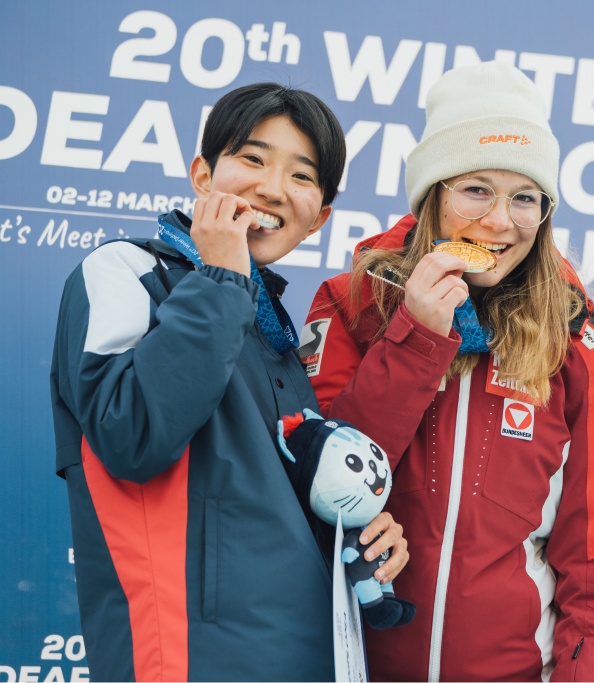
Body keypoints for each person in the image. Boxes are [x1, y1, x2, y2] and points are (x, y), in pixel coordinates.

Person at [50, 82, 408, 682]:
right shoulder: (124, 271)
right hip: (188, 660)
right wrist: (219, 275)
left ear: (319, 218)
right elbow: (131, 436)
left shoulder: (270, 325)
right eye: (252, 159)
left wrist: (359, 529)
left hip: (306, 656)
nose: (271, 188)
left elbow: (273, 498)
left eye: (301, 175)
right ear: (201, 174)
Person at [301, 61, 594, 681]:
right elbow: (320, 483)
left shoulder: (577, 344)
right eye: (476, 189)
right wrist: (417, 336)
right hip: (356, 665)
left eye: (525, 198)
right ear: (433, 195)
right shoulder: (353, 301)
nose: (499, 222)